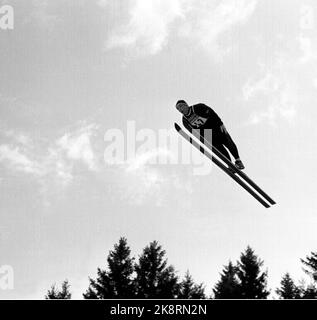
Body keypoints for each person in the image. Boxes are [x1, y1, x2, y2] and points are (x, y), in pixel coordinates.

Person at [175, 100, 245, 170]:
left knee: (228, 142)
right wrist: (203, 140)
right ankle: (230, 165)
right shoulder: (185, 121)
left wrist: (220, 123)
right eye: (178, 109)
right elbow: (193, 132)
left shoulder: (198, 107)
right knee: (220, 149)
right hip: (207, 134)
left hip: (215, 126)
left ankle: (238, 161)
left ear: (186, 105)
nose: (180, 110)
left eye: (180, 106)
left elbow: (212, 113)